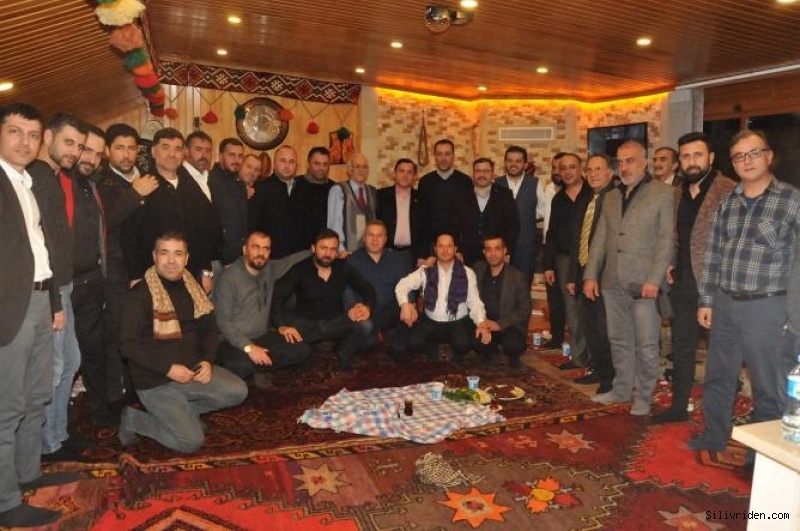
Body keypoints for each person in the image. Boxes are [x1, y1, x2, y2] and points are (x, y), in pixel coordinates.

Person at [689, 131, 800, 451]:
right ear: (733, 163)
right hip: (725, 304)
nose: (747, 161)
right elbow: (712, 254)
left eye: (754, 153)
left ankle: (762, 453)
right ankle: (714, 437)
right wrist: (707, 300)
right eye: (739, 156)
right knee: (718, 377)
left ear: (769, 156)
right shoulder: (727, 203)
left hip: (767, 308)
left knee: (768, 386)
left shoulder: (792, 200)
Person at [0, 103, 77, 528]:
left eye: (32, 134)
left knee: (36, 396)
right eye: (14, 131)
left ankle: (27, 473)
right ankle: (5, 501)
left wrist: (52, 303)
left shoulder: (26, 182)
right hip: (9, 307)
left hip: (40, 299)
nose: (24, 142)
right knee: (6, 406)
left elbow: (37, 253)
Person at [118, 232, 248, 453]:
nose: (171, 260)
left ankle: (185, 413)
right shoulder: (139, 295)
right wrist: (168, 369)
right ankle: (134, 420)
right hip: (155, 381)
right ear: (155, 256)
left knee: (238, 391)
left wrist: (207, 361)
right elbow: (128, 345)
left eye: (178, 254)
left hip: (192, 371)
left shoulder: (193, 288)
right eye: (164, 253)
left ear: (186, 258)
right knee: (190, 442)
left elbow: (210, 329)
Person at [583, 140, 674, 416]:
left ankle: (644, 396)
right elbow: (599, 240)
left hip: (644, 284)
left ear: (645, 162)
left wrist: (654, 280)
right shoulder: (611, 196)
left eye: (630, 160)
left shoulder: (664, 194)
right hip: (612, 282)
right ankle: (621, 389)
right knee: (619, 340)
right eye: (620, 162)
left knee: (646, 345)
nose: (624, 167)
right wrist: (590, 275)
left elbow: (666, 240)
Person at [652, 133, 736, 424]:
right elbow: (676, 236)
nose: (692, 161)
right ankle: (678, 407)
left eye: (698, 155)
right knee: (682, 347)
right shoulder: (677, 193)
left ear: (710, 157)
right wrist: (671, 262)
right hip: (684, 285)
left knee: (722, 353)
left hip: (718, 287)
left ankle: (719, 415)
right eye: (686, 156)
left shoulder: (729, 190)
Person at [28, 112, 87, 459]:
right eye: (69, 142)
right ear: (48, 137)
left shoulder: (52, 177)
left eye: (79, 146)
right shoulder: (36, 176)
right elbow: (42, 246)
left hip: (64, 286)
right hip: (52, 291)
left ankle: (57, 434)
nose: (75, 152)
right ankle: (46, 445)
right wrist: (53, 302)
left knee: (69, 362)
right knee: (53, 369)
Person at [96, 123, 159, 422]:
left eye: (131, 148)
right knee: (117, 333)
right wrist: (134, 194)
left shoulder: (146, 178)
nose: (126, 154)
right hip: (116, 272)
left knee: (143, 331)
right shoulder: (101, 182)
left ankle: (140, 388)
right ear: (108, 151)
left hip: (147, 269)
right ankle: (115, 395)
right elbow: (104, 223)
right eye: (119, 148)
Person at [55, 124, 108, 460]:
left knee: (86, 353)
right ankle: (57, 433)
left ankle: (87, 418)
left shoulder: (91, 185)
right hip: (63, 286)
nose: (89, 158)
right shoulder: (57, 181)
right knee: (61, 363)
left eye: (97, 154)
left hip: (90, 281)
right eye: (86, 149)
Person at [121, 128, 222, 290]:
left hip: (190, 275)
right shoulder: (142, 185)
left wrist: (206, 270)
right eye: (166, 147)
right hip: (152, 276)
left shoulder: (191, 186)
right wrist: (135, 275)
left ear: (184, 153)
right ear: (153, 151)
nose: (172, 154)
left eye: (177, 149)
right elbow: (130, 236)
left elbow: (203, 231)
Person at [272, 229, 376, 371]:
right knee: (293, 353)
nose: (328, 253)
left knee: (366, 325)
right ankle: (315, 347)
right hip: (306, 325)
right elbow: (277, 296)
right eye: (323, 248)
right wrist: (281, 326)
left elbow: (367, 288)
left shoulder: (343, 266)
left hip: (336, 322)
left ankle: (344, 352)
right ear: (313, 248)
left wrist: (367, 307)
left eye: (333, 249)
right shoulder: (299, 269)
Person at [214, 231, 311, 382]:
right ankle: (258, 365)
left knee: (302, 350)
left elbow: (290, 260)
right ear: (245, 249)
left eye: (266, 248)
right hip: (233, 341)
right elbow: (223, 323)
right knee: (240, 365)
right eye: (256, 247)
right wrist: (249, 347)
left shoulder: (269, 268)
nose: (261, 253)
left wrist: (314, 251)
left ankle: (260, 365)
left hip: (262, 336)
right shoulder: (229, 278)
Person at [396, 233, 490, 366]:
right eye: (441, 246)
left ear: (455, 249)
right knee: (413, 342)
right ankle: (431, 346)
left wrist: (481, 323)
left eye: (449, 246)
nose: (445, 250)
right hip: (431, 320)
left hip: (457, 321)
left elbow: (474, 302)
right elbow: (402, 285)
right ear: (435, 249)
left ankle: (457, 353)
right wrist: (405, 304)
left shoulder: (467, 272)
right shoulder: (426, 270)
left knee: (463, 345)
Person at [567, 154, 617, 393]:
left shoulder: (615, 199)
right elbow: (577, 240)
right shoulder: (586, 199)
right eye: (590, 170)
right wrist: (572, 276)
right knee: (590, 327)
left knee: (606, 329)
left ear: (610, 173)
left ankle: (610, 376)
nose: (593, 174)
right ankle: (597, 369)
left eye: (599, 169)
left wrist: (596, 274)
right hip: (583, 274)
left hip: (604, 277)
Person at [544, 153, 592, 369]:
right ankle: (579, 358)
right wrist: (547, 265)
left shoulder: (593, 194)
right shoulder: (558, 199)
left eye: (572, 167)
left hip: (591, 258)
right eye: (563, 168)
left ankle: (596, 357)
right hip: (564, 260)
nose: (567, 172)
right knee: (572, 311)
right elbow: (551, 234)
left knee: (592, 309)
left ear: (581, 169)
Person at [346, 220, 413, 362]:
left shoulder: (398, 259)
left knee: (408, 309)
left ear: (386, 238)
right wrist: (353, 307)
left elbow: (407, 285)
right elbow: (347, 289)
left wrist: (410, 304)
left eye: (379, 235)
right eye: (370, 235)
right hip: (365, 311)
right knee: (368, 343)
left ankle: (397, 346)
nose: (375, 239)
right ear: (364, 238)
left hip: (390, 310)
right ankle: (374, 336)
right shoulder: (352, 260)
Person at [472, 236, 532, 373]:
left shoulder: (517, 277)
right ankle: (489, 350)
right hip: (483, 323)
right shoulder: (478, 269)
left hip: (507, 325)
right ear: (484, 252)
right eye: (488, 249)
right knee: (471, 341)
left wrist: (499, 324)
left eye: (497, 249)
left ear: (505, 251)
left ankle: (512, 357)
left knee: (514, 346)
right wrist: (482, 322)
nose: (493, 254)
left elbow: (524, 310)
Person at [416, 139, 473, 262]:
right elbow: (421, 219)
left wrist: (461, 249)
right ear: (435, 156)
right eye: (439, 154)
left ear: (453, 156)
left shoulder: (465, 182)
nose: (443, 158)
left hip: (457, 249)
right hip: (431, 248)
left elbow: (468, 219)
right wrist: (422, 253)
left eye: (447, 154)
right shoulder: (425, 182)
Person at [456, 157, 519, 266]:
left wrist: (507, 252)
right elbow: (454, 225)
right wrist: (457, 250)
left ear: (492, 173)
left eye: (486, 171)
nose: (481, 174)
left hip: (496, 255)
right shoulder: (462, 195)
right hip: (467, 256)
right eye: (478, 171)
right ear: (473, 173)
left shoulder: (505, 195)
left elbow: (513, 226)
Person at [202, 135, 249, 267]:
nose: (236, 160)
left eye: (240, 156)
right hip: (219, 259)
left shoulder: (239, 183)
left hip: (239, 256)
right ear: (220, 156)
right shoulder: (210, 182)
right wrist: (223, 256)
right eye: (232, 155)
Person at [496, 145, 539, 287]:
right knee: (501, 286)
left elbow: (541, 211)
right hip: (500, 247)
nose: (513, 164)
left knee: (523, 286)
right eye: (510, 160)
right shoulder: (496, 184)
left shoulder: (535, 184)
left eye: (518, 161)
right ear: (505, 163)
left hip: (526, 247)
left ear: (525, 164)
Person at [257, 145, 304, 258]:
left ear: (296, 166)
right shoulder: (260, 188)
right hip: (270, 258)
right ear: (274, 164)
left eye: (291, 162)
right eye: (282, 161)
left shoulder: (304, 189)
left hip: (299, 256)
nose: (287, 166)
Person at [540, 153, 566, 349]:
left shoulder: (574, 192)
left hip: (568, 253)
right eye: (554, 167)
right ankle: (556, 337)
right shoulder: (548, 189)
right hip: (549, 249)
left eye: (561, 168)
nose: (557, 172)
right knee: (554, 298)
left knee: (570, 300)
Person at [327, 153, 378, 253]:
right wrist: (340, 249)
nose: (361, 170)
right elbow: (333, 224)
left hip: (369, 251)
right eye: (357, 166)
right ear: (349, 170)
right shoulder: (338, 190)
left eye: (364, 167)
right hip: (346, 251)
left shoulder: (372, 191)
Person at [376, 158, 425, 263]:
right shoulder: (381, 196)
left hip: (413, 255)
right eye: (401, 171)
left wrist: (423, 255)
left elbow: (425, 229)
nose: (405, 175)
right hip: (386, 253)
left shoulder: (422, 198)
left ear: (414, 177)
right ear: (394, 174)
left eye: (409, 172)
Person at [293, 146, 334, 249]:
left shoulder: (335, 188)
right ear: (308, 165)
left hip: (326, 249)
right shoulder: (294, 184)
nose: (321, 168)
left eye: (325, 164)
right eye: (317, 163)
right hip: (298, 249)